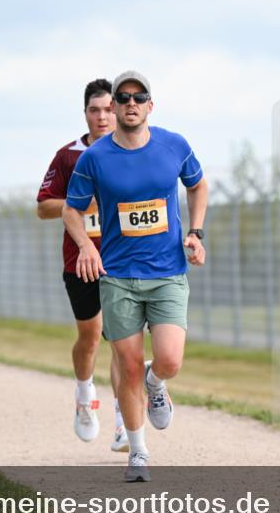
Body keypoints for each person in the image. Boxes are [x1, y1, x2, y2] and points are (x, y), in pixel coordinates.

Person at [62, 70, 208, 482]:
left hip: (166, 273)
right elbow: (73, 209)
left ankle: (156, 383)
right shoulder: (95, 158)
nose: (129, 104)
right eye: (122, 98)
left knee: (169, 360)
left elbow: (198, 186)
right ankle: (138, 452)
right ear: (114, 106)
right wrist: (87, 246)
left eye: (137, 97)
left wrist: (195, 233)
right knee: (126, 367)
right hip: (119, 277)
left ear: (149, 105)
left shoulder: (173, 145)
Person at [36, 78, 128, 452]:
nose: (103, 116)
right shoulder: (68, 156)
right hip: (80, 263)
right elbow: (43, 207)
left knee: (123, 343)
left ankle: (125, 422)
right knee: (90, 338)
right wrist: (81, 203)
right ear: (85, 113)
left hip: (123, 261)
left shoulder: (132, 150)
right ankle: (84, 395)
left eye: (109, 109)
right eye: (95, 109)